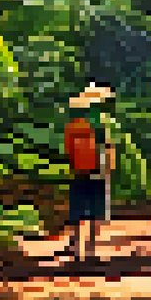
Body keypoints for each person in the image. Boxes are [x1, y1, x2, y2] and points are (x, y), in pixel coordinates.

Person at [60, 81, 115, 261]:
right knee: (94, 211)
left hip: (77, 170)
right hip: (97, 170)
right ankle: (90, 250)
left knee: (77, 210)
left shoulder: (72, 125)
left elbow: (67, 150)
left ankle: (76, 249)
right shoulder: (101, 123)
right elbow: (107, 147)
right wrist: (109, 169)